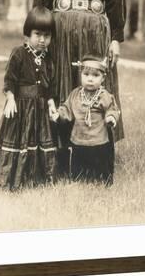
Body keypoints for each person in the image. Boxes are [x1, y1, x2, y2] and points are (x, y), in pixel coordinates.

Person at [33, 0, 126, 171]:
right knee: (64, 85)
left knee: (94, 84)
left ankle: (98, 153)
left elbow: (116, 0)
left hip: (96, 32)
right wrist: (41, 35)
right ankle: (61, 153)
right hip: (61, 33)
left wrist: (116, 40)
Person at [0, 6, 58, 190]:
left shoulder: (48, 58)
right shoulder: (19, 54)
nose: (42, 40)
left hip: (39, 109)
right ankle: (10, 177)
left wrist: (50, 103)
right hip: (21, 107)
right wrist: (10, 98)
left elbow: (49, 86)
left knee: (38, 139)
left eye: (47, 35)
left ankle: (36, 177)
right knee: (19, 140)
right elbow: (9, 80)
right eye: (37, 34)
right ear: (27, 34)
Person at [51, 54, 120, 186]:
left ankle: (101, 181)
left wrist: (111, 117)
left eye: (95, 75)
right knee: (79, 168)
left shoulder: (104, 96)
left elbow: (112, 109)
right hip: (79, 139)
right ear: (80, 75)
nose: (90, 79)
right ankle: (79, 179)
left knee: (100, 168)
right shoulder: (75, 94)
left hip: (99, 140)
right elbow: (67, 109)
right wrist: (59, 115)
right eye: (86, 74)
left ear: (103, 78)